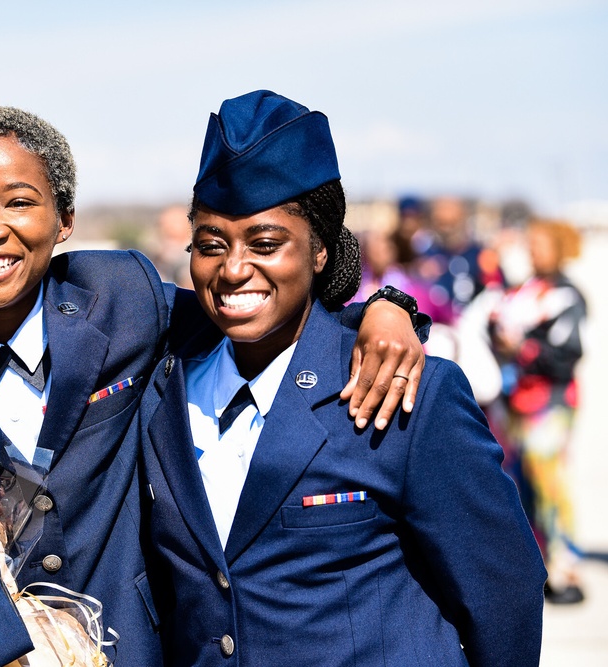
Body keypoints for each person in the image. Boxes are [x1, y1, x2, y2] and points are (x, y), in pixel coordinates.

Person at [0, 106, 427, 666]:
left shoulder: (123, 297)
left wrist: (384, 309)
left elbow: (251, 310)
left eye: (18, 203)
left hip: (127, 645)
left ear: (64, 221)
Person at [138, 90, 546, 666]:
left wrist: (390, 305)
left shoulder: (406, 391)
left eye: (266, 243)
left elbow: (503, 592)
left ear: (322, 250)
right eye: (210, 245)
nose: (232, 269)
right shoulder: (162, 386)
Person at [488, 219, 587, 605]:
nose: (533, 251)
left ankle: (566, 568)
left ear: (560, 247)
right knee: (522, 484)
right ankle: (539, 563)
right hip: (515, 402)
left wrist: (522, 349)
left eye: (541, 244)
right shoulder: (523, 290)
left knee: (551, 485)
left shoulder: (567, 295)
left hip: (550, 403)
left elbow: (568, 354)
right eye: (531, 244)